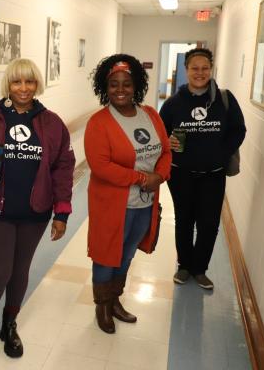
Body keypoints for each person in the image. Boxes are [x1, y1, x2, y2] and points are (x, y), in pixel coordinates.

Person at [0, 58, 75, 358]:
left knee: (20, 271)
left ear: (37, 85)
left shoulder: (51, 123)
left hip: (35, 212)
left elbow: (63, 168)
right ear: (8, 84)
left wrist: (61, 212)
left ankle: (10, 324)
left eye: (30, 81)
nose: (23, 88)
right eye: (17, 81)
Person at [85, 54, 172, 334]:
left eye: (126, 84)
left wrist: (161, 175)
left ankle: (115, 299)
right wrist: (141, 178)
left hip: (144, 203)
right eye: (113, 84)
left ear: (137, 86)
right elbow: (101, 167)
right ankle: (102, 305)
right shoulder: (99, 123)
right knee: (106, 254)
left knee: (126, 253)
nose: (120, 90)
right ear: (105, 87)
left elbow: (166, 151)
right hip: (112, 204)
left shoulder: (151, 115)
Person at [160, 48, 246, 290]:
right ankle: (184, 266)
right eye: (194, 68)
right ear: (186, 70)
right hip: (181, 174)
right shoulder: (173, 104)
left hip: (213, 175)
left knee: (208, 224)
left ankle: (200, 269)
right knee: (184, 220)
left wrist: (221, 152)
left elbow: (239, 130)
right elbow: (159, 134)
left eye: (204, 68)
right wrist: (167, 141)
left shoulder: (224, 99)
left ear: (211, 69)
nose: (200, 73)